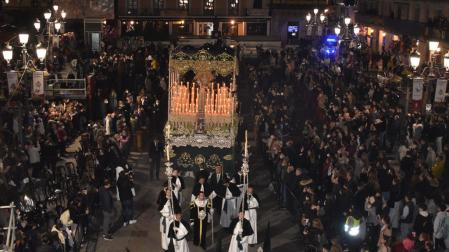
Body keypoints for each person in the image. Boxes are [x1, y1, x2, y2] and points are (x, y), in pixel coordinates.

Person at [158, 184, 180, 251]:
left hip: (172, 219)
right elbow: (161, 210)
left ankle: (173, 246)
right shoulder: (163, 200)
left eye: (170, 192)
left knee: (173, 233)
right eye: (167, 192)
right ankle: (165, 247)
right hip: (166, 220)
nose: (169, 193)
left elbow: (177, 208)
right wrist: (168, 215)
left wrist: (176, 214)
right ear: (165, 192)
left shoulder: (173, 200)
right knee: (165, 234)